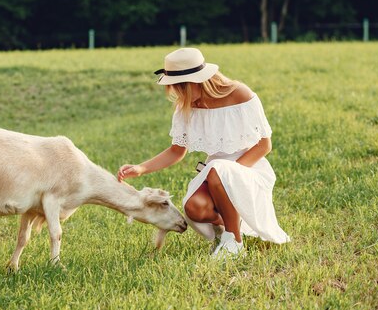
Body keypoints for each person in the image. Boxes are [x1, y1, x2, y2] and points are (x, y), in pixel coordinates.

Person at [118, 47, 290, 259]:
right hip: (214, 173)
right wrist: (141, 168)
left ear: (194, 82)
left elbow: (264, 146)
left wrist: (231, 176)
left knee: (218, 170)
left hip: (249, 169)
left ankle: (234, 242)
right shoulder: (186, 107)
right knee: (193, 207)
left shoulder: (241, 94)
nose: (176, 95)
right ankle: (228, 226)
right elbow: (176, 150)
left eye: (179, 89)